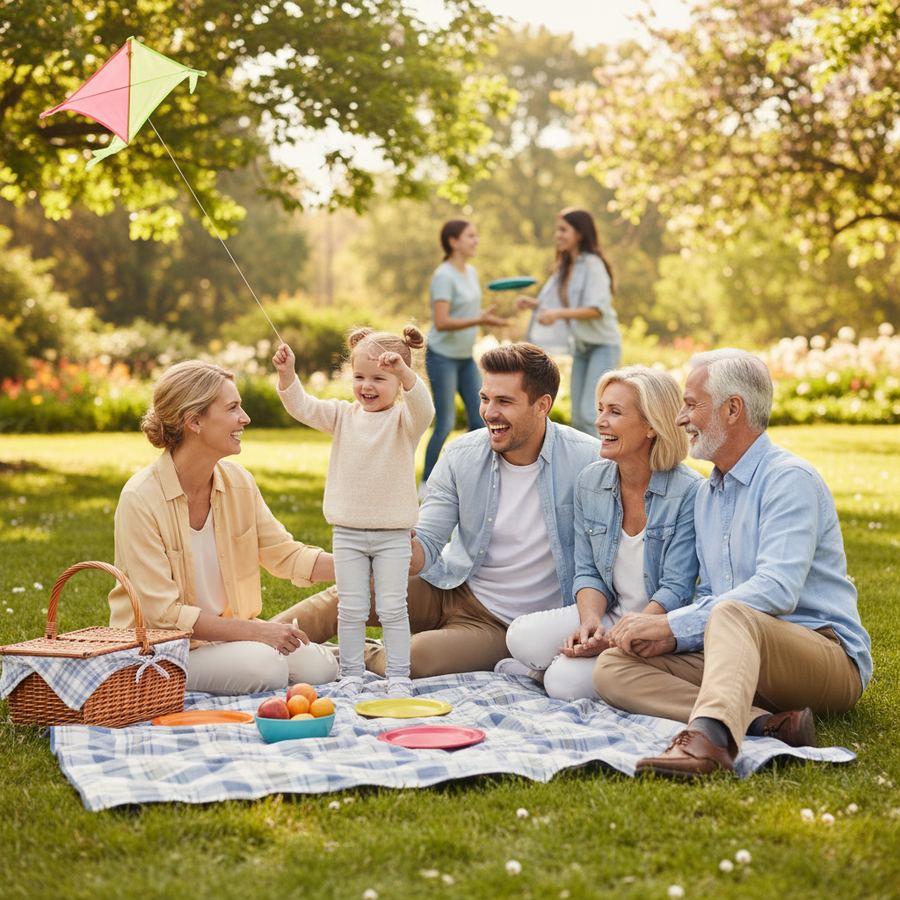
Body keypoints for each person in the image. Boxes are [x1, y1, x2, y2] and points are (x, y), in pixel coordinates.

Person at [594, 349, 872, 777]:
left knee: (731, 613)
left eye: (690, 404)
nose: (681, 418)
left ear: (732, 408)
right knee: (614, 668)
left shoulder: (788, 479)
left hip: (823, 657)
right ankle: (767, 724)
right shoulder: (707, 495)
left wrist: (674, 625)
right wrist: (670, 639)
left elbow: (777, 591)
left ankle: (709, 744)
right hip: (739, 655)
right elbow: (712, 594)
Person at [275, 343, 600, 677]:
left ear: (542, 405)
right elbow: (427, 543)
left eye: (504, 401)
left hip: (501, 624)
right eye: (485, 398)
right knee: (346, 595)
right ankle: (256, 642)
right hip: (450, 585)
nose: (488, 413)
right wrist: (399, 542)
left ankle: (339, 658)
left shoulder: (587, 461)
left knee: (410, 660)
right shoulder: (462, 455)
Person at [108, 360, 340, 695]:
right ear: (194, 421)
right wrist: (258, 633)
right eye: (232, 408)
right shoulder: (140, 499)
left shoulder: (238, 483)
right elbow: (164, 615)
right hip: (164, 650)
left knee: (320, 668)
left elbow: (287, 556)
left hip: (227, 638)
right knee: (267, 665)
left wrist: (361, 563)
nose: (245, 418)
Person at [500, 366, 701, 700]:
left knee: (562, 684)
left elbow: (676, 590)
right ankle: (557, 663)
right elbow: (588, 571)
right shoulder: (591, 482)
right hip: (610, 612)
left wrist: (613, 638)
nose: (600, 422)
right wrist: (590, 623)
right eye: (601, 409)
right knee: (520, 636)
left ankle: (552, 670)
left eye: (615, 412)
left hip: (657, 625)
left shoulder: (690, 492)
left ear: (651, 425)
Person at [273, 327, 434, 697]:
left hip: (393, 536)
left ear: (398, 384)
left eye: (380, 378)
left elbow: (424, 408)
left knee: (393, 607)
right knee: (351, 608)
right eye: (360, 377)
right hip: (347, 533)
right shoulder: (343, 416)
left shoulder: (404, 422)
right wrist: (287, 375)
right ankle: (351, 675)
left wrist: (409, 375)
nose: (367, 386)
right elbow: (303, 406)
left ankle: (397, 676)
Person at [517, 208, 621, 436]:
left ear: (580, 233)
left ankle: (605, 467)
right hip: (582, 347)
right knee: (578, 415)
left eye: (564, 230)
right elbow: (558, 306)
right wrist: (534, 304)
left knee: (589, 413)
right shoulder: (565, 268)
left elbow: (596, 310)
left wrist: (557, 315)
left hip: (603, 344)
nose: (558, 235)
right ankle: (589, 466)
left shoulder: (593, 265)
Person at [423, 219, 506, 484]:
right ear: (453, 241)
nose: (476, 240)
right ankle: (427, 482)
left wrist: (483, 316)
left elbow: (465, 314)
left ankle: (475, 480)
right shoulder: (443, 276)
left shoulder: (471, 272)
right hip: (442, 356)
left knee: (480, 420)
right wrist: (479, 320)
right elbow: (442, 321)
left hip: (464, 357)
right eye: (470, 236)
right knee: (445, 423)